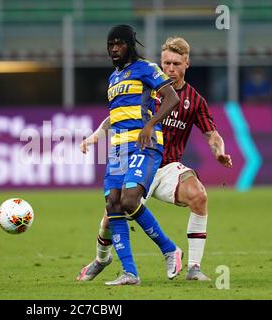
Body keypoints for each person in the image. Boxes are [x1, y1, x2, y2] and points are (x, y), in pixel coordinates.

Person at [77, 36, 233, 282]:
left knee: (199, 196)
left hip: (167, 166)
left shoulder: (195, 101)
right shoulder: (149, 86)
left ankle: (193, 267)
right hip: (137, 161)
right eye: (166, 63)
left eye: (176, 64)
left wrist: (219, 152)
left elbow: (212, 134)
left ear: (186, 64)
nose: (170, 69)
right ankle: (101, 258)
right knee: (111, 215)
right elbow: (117, 115)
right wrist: (96, 136)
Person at [90, 25, 183, 286]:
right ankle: (130, 273)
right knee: (113, 204)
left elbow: (171, 98)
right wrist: (97, 135)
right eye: (111, 44)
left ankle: (170, 249)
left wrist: (150, 124)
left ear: (130, 45)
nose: (114, 48)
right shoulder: (113, 78)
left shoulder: (146, 68)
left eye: (119, 43)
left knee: (130, 200)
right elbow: (118, 114)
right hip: (117, 148)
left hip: (144, 144)